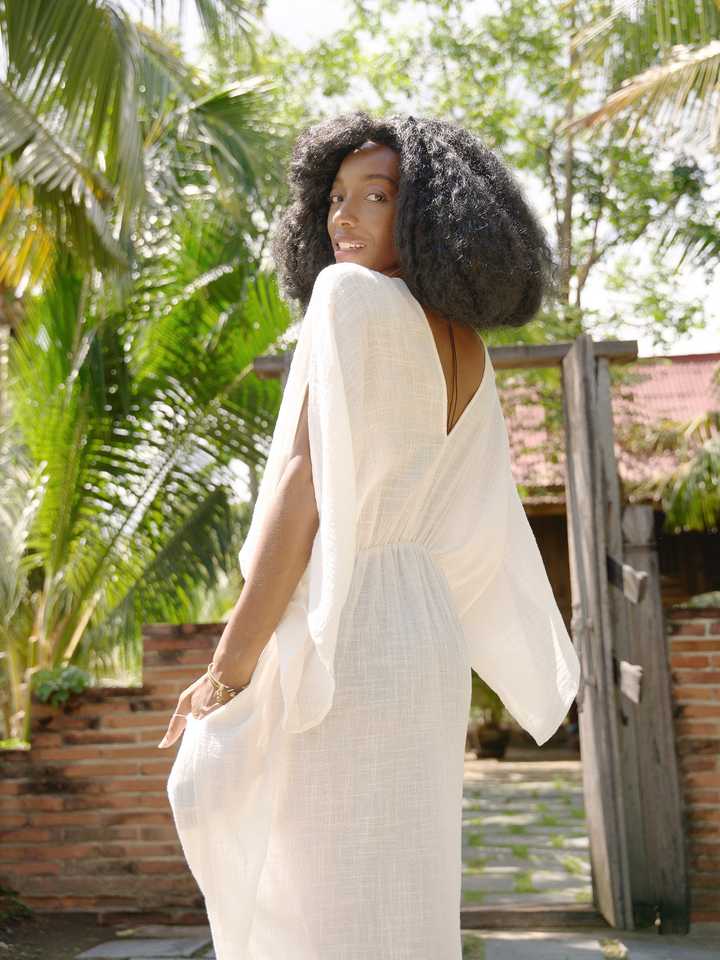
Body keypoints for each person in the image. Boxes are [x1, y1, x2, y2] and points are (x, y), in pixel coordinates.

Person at [161, 112, 581, 959]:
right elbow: (472, 525)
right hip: (425, 633)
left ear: (426, 213)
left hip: (346, 623)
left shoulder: (347, 298)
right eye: (335, 196)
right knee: (400, 893)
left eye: (377, 196)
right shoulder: (467, 348)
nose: (344, 216)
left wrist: (225, 671)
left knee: (317, 900)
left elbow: (302, 486)